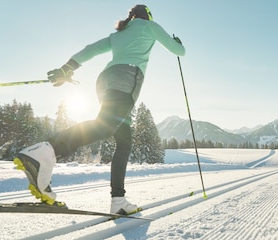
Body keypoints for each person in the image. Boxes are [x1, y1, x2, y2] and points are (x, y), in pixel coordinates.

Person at [14, 4, 185, 214]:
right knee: (104, 126)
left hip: (105, 81)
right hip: (126, 80)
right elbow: (179, 51)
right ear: (146, 16)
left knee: (124, 142)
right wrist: (177, 42)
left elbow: (91, 49)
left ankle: (119, 200)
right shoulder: (150, 26)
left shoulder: (119, 35)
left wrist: (67, 68)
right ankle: (46, 150)